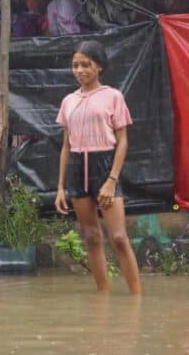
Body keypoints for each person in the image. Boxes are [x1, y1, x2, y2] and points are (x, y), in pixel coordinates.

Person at [54, 41, 141, 295]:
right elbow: (66, 146)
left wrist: (112, 179)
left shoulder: (113, 96)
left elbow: (123, 141)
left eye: (85, 64)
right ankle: (102, 296)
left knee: (118, 238)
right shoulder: (68, 101)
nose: (79, 70)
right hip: (78, 168)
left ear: (99, 66)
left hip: (105, 165)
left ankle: (137, 299)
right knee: (91, 236)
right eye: (75, 65)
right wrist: (60, 187)